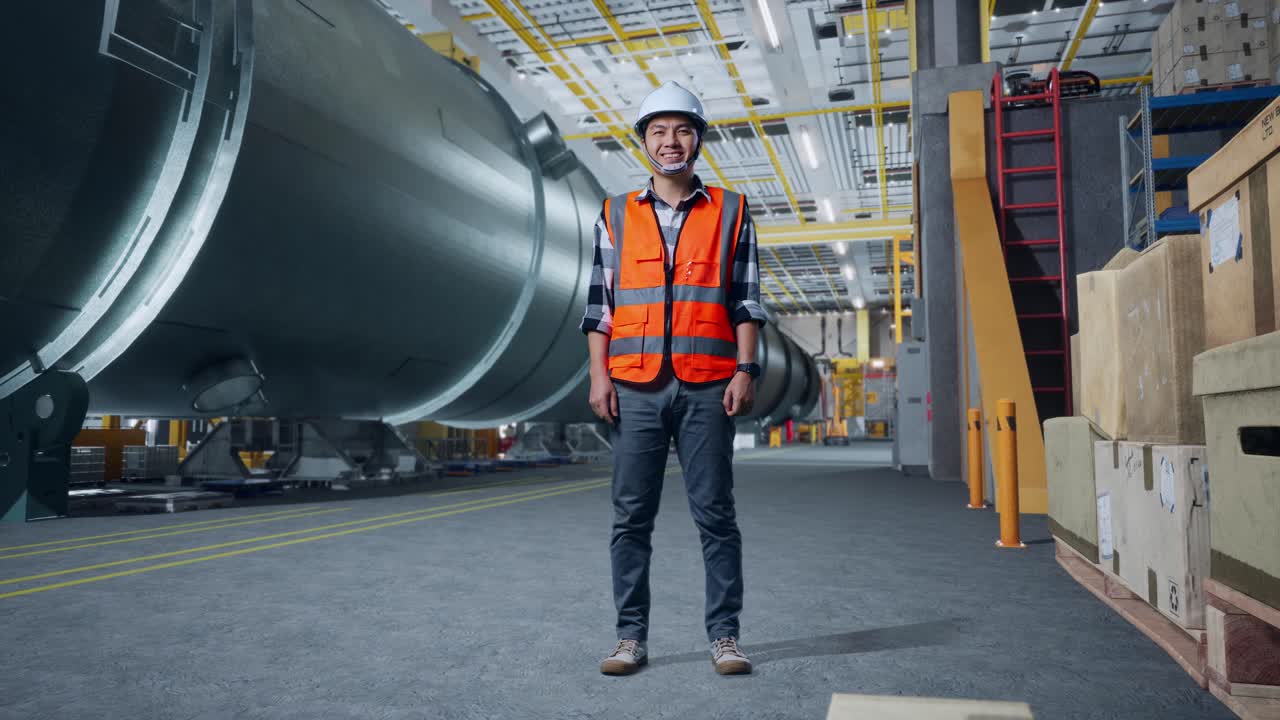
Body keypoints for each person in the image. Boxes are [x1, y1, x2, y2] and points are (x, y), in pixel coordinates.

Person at [578, 80, 768, 677]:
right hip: (633, 385)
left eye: (682, 129)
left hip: (708, 383)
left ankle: (726, 636)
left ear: (699, 140)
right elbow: (599, 307)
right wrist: (598, 377)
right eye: (658, 131)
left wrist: (746, 368)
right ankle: (629, 637)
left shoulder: (731, 211)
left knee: (715, 514)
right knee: (631, 516)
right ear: (643, 143)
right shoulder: (614, 213)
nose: (670, 141)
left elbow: (747, 300)